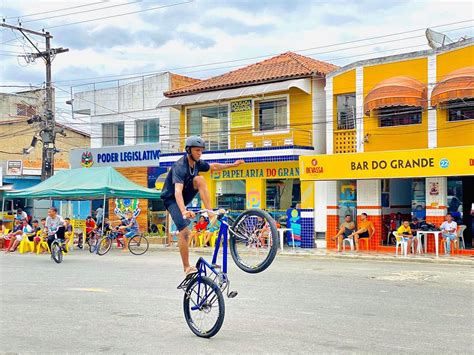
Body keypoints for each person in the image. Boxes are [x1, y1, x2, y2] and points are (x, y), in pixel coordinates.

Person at [160, 136, 244, 275]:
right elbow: (177, 191)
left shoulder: (197, 163)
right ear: (189, 150)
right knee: (185, 232)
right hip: (171, 199)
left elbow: (213, 167)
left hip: (185, 194)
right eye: (197, 150)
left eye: (201, 151)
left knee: (200, 179)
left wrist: (232, 165)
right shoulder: (180, 166)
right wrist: (183, 211)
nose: (200, 153)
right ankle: (187, 267)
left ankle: (210, 213)